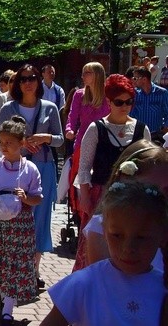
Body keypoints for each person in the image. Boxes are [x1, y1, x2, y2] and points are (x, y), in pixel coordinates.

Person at [41, 180, 166, 326]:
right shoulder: (85, 283)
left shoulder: (163, 287)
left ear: (163, 236)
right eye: (117, 235)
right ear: (104, 232)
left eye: (142, 237)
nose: (128, 248)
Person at [0, 64, 63, 286]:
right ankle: (11, 266)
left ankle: (33, 269)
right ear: (17, 83)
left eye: (32, 78)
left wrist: (46, 138)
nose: (28, 82)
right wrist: (20, 142)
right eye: (22, 79)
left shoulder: (50, 108)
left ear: (39, 81)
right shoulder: (8, 108)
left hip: (43, 166)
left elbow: (61, 139)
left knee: (40, 218)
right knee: (13, 214)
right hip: (13, 167)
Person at [72, 74, 150, 270]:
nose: (125, 106)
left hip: (132, 199)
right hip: (101, 196)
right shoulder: (96, 128)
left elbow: (148, 167)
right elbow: (84, 167)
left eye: (129, 101)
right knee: (95, 249)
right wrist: (86, 198)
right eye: (119, 102)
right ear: (109, 101)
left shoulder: (142, 129)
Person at [0, 116, 43, 326]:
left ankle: (8, 307)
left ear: (21, 143)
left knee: (14, 263)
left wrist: (25, 198)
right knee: (0, 260)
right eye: (1, 142)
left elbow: (38, 197)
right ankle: (5, 295)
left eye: (9, 143)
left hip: (20, 224)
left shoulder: (30, 169)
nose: (3, 147)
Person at [83, 139, 168, 268]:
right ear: (127, 182)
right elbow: (103, 278)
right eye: (152, 190)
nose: (161, 197)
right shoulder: (102, 226)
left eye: (167, 190)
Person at [130, 66, 168, 144]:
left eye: (135, 78)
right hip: (139, 135)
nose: (133, 81)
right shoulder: (135, 94)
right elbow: (131, 114)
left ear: (144, 79)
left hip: (156, 135)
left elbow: (167, 112)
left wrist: (166, 127)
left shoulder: (162, 93)